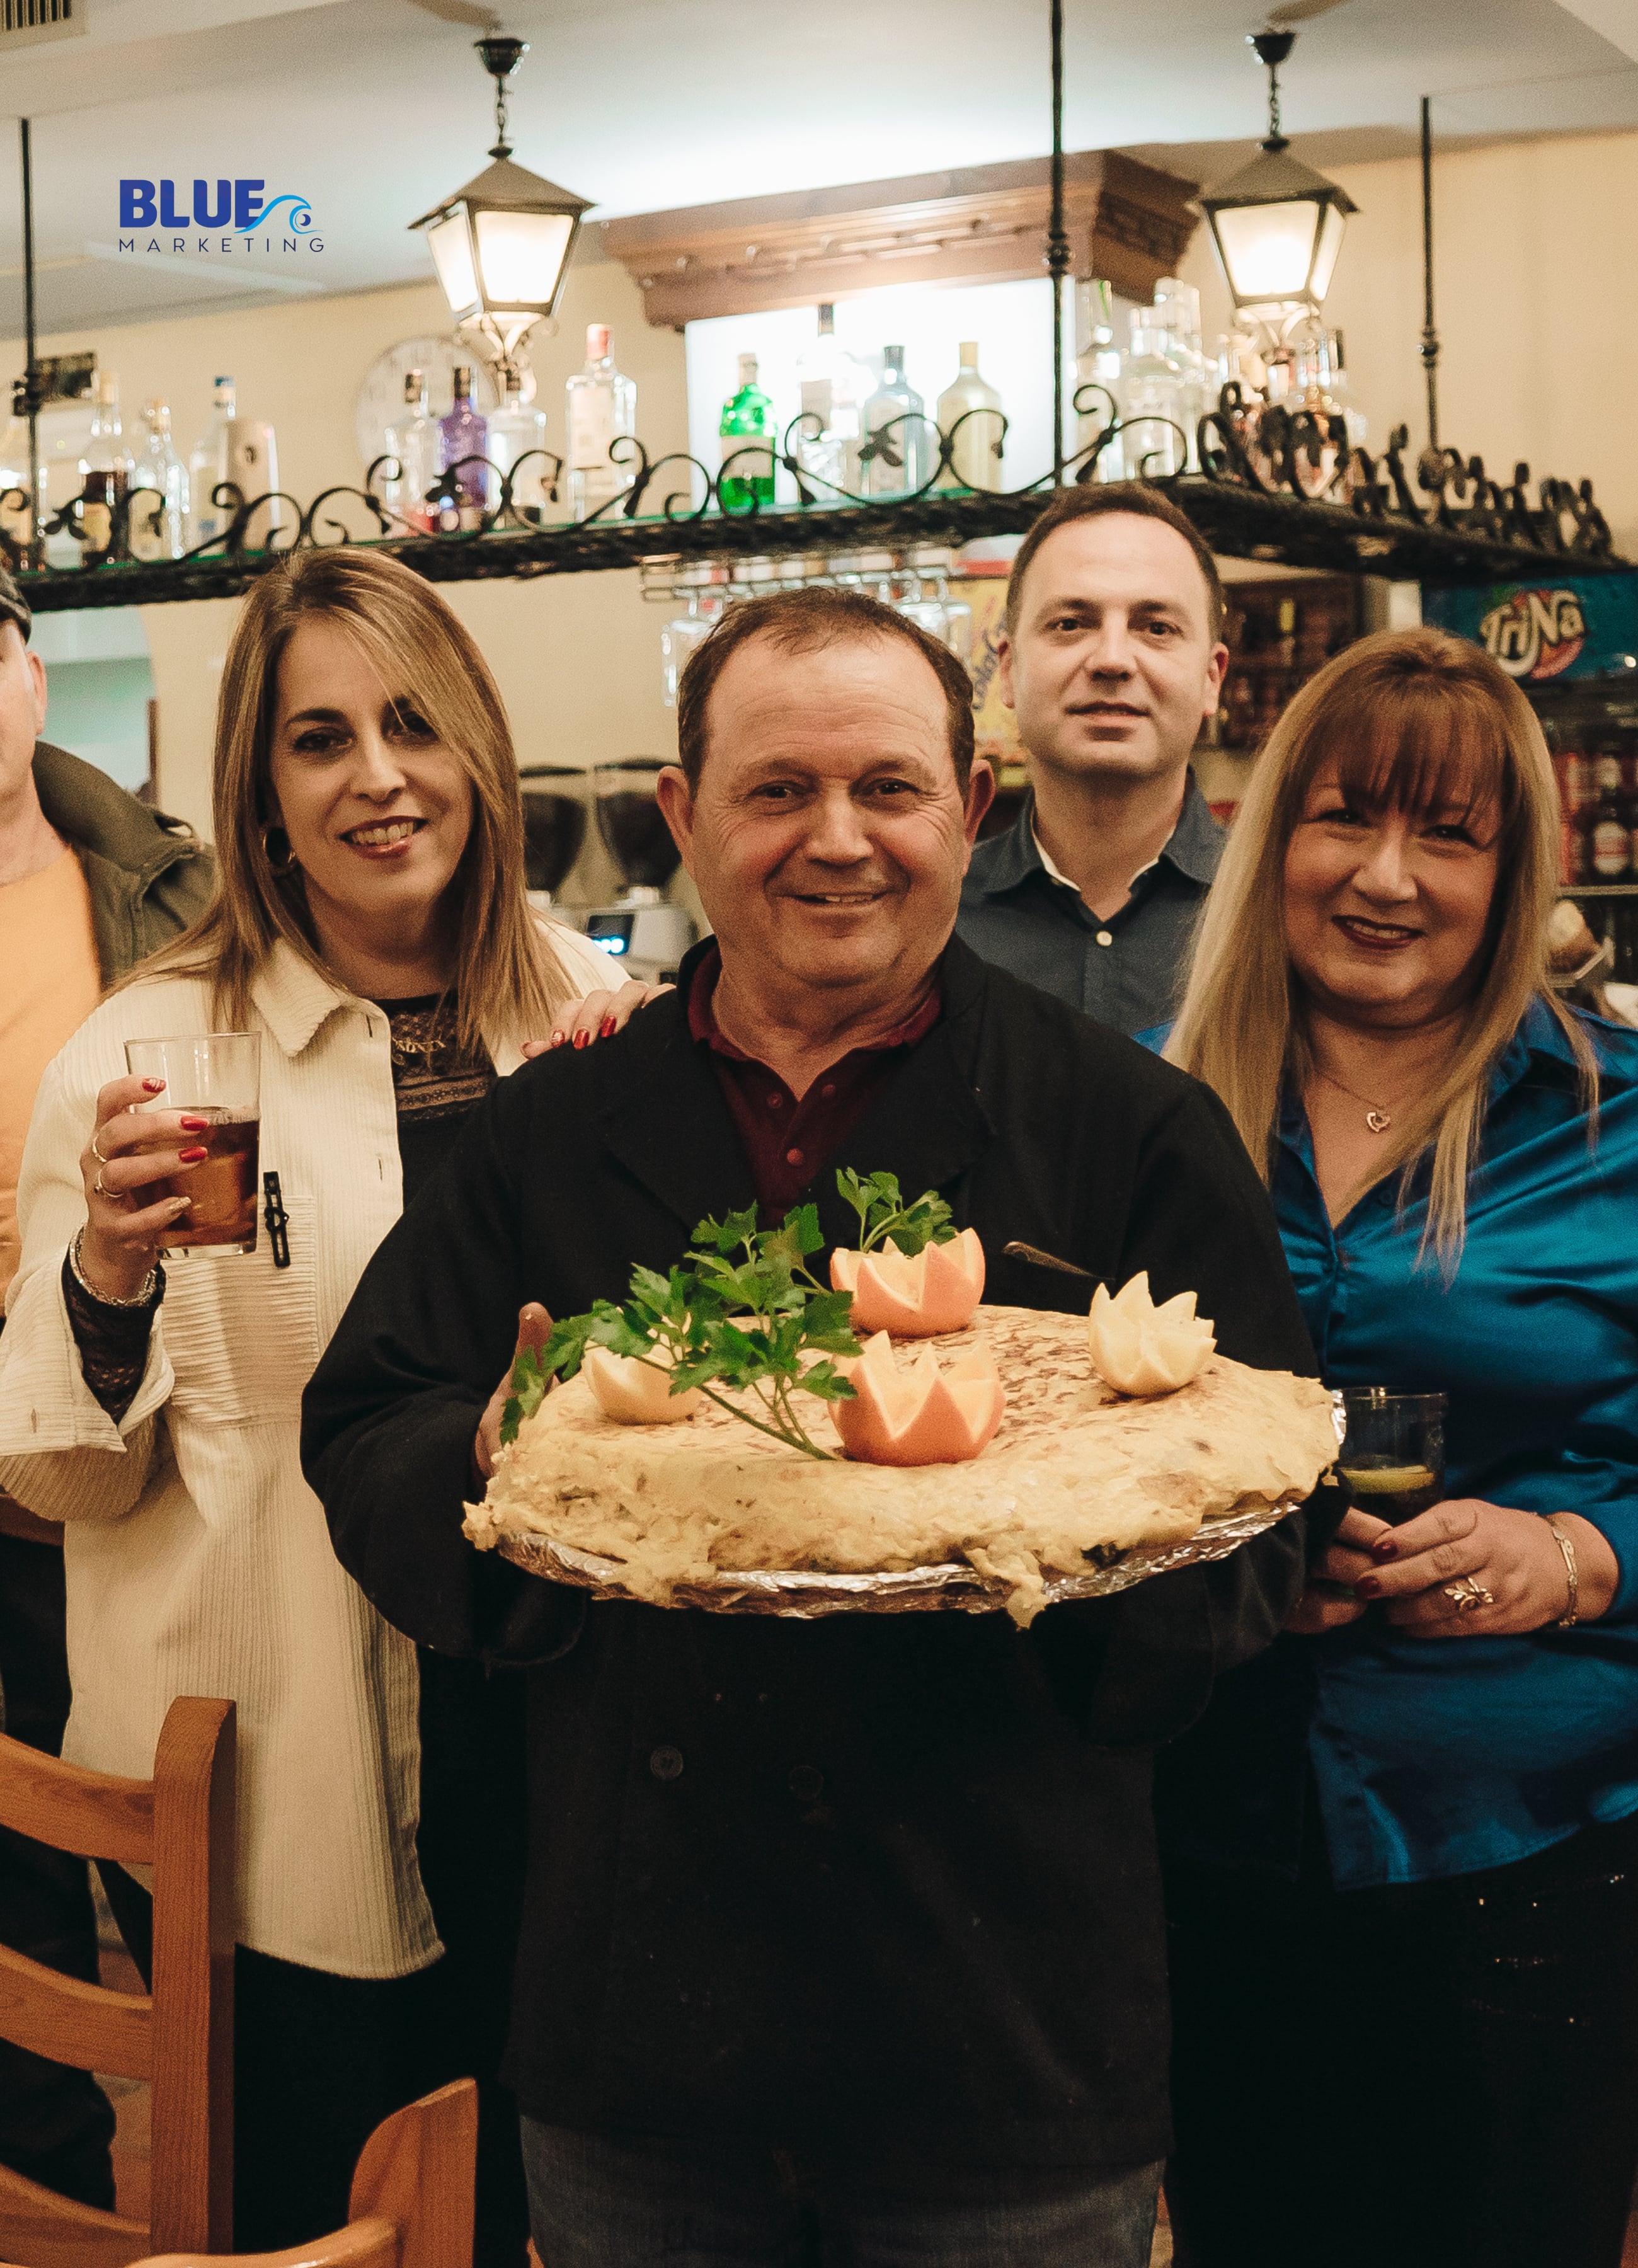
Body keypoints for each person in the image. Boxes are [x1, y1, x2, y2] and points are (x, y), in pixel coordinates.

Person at [302, 583, 1325, 2268]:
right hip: (637, 2016)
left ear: (969, 809)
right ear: (685, 819)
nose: (836, 840)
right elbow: (367, 1426)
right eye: (778, 791)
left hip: (1005, 2017)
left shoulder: (1128, 1127)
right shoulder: (549, 1127)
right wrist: (494, 1456)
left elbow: (1268, 1498)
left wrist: (1095, 1536)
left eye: (889, 789)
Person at [0, 547, 647, 2255]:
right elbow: (56, 1469)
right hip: (268, 1744)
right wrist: (110, 1283)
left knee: (543, 2189)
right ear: (262, 793)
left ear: (483, 757)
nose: (379, 776)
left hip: (557, 1724)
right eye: (320, 738)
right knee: (308, 2197)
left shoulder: (599, 1027)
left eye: (416, 724)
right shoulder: (153, 1061)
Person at [1155, 627, 1638, 2268]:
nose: (1386, 876)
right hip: (1210, 1830)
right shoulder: (1156, 1123)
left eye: (1448, 833)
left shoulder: (1613, 1117)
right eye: (1344, 817)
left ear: (1515, 874)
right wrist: (1212, 1561)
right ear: (1267, 835)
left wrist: (1575, 1559)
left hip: (1528, 1844)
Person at [0, 560, 214, 2212]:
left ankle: (226, 2196)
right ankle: (55, 2210)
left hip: (138, 1464)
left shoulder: (170, 882)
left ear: (27, 667)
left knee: (181, 1870)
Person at [956, 482, 1229, 1034]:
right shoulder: (932, 922)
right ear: (1007, 670)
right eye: (1070, 624)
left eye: (1157, 628)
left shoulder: (1280, 912)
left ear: (1211, 679)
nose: (1111, 660)